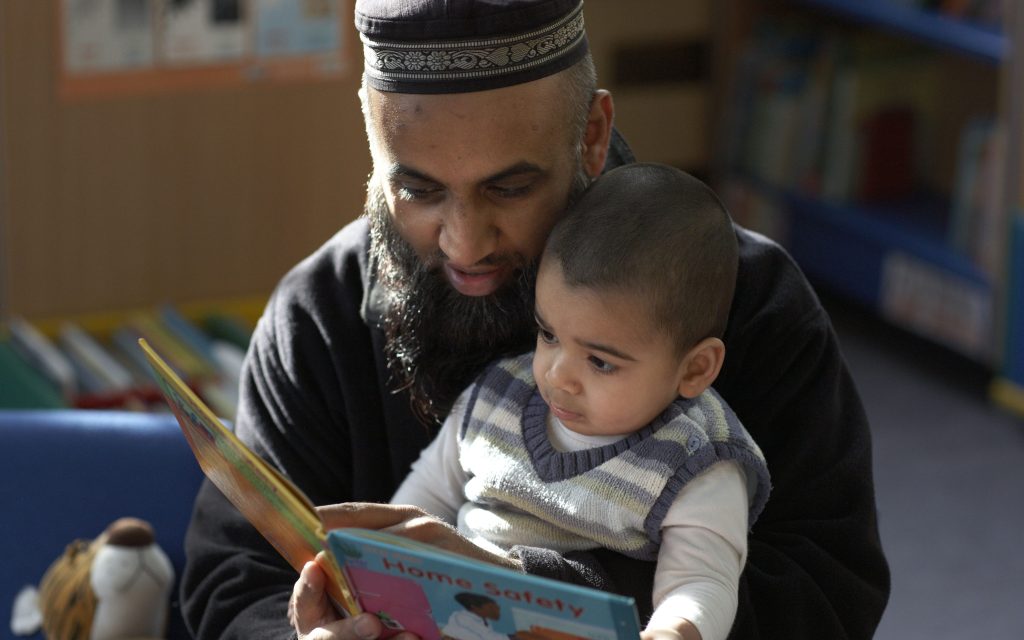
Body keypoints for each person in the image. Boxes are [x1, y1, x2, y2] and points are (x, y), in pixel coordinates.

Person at [180, 1, 891, 639]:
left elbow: (828, 590)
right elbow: (235, 581)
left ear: (591, 135)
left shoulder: (747, 301)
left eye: (509, 187)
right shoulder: (319, 316)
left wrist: (516, 588)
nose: (464, 243)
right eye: (418, 189)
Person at [391, 163, 772, 640]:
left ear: (694, 369)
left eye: (600, 362)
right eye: (549, 334)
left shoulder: (698, 462)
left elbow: (702, 582)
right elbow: (424, 497)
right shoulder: (497, 397)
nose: (557, 375)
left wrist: (674, 631)